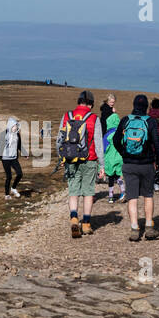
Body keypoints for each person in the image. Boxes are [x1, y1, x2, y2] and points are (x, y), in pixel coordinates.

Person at [113, 94, 159, 241]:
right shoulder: (150, 121)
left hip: (129, 164)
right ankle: (149, 227)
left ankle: (135, 229)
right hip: (147, 164)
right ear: (145, 107)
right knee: (148, 195)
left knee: (132, 197)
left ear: (134, 105)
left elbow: (116, 140)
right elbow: (157, 144)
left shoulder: (125, 120)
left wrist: (124, 153)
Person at [56, 90, 105, 238]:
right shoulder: (94, 119)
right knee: (88, 192)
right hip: (89, 160)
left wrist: (62, 157)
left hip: (71, 159)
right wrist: (102, 165)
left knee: (73, 191)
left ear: (78, 102)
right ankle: (86, 224)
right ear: (91, 104)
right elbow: (98, 144)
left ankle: (74, 218)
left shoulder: (67, 116)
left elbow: (59, 140)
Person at [0, 117, 26, 197]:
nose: (16, 128)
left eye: (17, 126)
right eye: (15, 126)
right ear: (10, 126)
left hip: (14, 158)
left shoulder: (17, 134)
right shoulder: (4, 134)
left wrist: (25, 153)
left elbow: (19, 145)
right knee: (9, 176)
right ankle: (7, 195)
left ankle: (13, 188)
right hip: (5, 159)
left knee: (20, 174)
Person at [100, 98, 123, 201]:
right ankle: (123, 191)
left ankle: (110, 196)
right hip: (118, 159)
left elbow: (103, 149)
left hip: (109, 160)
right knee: (118, 177)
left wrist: (101, 164)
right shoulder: (120, 134)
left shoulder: (106, 136)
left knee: (110, 178)